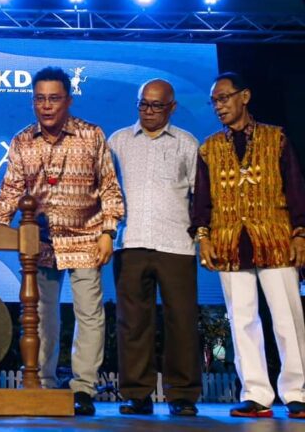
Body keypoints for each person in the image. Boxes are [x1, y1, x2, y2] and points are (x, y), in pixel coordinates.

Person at [0, 66, 124, 416]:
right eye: (39, 99)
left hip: (87, 237)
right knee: (40, 316)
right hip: (41, 243)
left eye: (53, 98)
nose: (46, 106)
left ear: (68, 99)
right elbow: (9, 193)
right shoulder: (22, 141)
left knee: (89, 314)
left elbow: (110, 188)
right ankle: (42, 384)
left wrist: (109, 232)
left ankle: (83, 389)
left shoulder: (91, 135)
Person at [191, 72, 305, 419]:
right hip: (229, 241)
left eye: (224, 98)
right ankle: (256, 394)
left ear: (245, 96)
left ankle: (297, 393)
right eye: (214, 101)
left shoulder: (276, 138)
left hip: (275, 238)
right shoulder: (209, 147)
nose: (218, 106)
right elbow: (202, 200)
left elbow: (295, 187)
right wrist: (203, 237)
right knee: (241, 321)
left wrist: (300, 233)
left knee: (287, 319)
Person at [108, 79, 201, 417]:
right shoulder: (117, 141)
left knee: (182, 322)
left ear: (172, 107)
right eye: (143, 104)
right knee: (132, 323)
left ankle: (183, 395)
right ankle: (137, 394)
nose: (148, 111)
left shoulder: (187, 143)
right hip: (130, 242)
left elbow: (200, 195)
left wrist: (201, 235)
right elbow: (106, 192)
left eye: (156, 105)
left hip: (177, 244)